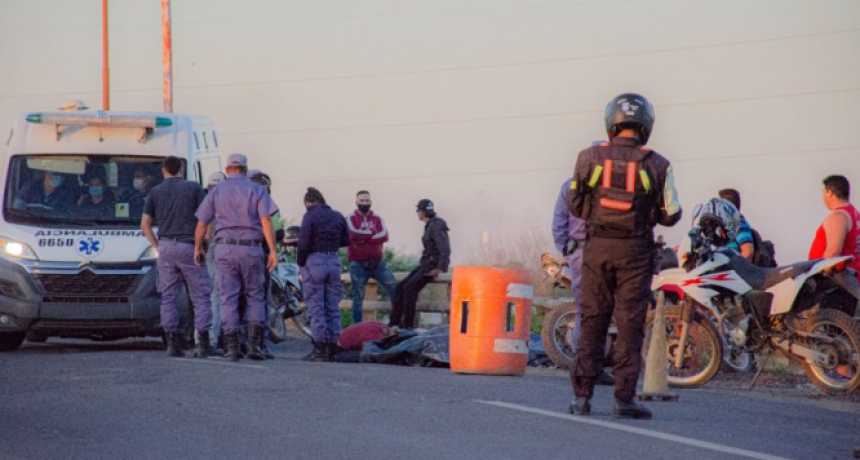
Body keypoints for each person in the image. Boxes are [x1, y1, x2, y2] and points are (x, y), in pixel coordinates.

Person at [567, 93, 682, 420]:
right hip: (636, 252)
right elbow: (671, 214)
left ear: (611, 123)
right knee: (630, 325)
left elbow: (574, 204)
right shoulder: (658, 164)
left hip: (597, 249)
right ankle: (623, 400)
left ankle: (582, 399)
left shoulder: (588, 157)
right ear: (646, 125)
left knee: (593, 320)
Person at [194, 153, 278, 362]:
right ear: (245, 168)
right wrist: (273, 251)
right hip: (252, 249)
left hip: (225, 249)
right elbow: (266, 221)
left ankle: (231, 348)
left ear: (227, 169)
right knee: (254, 296)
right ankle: (254, 346)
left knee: (227, 298)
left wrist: (198, 248)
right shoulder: (257, 189)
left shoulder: (216, 191)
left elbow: (202, 223)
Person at [140, 156, 213, 358]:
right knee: (200, 296)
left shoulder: (155, 192)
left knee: (168, 297)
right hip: (189, 246)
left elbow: (144, 225)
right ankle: (203, 343)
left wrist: (157, 245)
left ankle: (172, 343)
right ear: (181, 169)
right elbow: (206, 219)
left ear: (164, 171)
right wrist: (202, 245)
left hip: (165, 247)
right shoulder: (194, 188)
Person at [553, 177, 613, 385]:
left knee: (584, 311)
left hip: (580, 253)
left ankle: (582, 365)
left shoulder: (570, 184)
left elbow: (559, 224)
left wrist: (568, 253)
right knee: (605, 311)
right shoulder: (614, 183)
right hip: (608, 252)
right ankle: (595, 365)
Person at [296, 187, 350, 362]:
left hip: (315, 261)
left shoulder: (310, 216)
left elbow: (303, 243)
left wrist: (301, 262)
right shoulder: (337, 215)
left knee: (316, 306)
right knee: (332, 306)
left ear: (308, 202)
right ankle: (333, 348)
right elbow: (346, 240)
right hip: (333, 261)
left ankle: (319, 350)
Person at [389, 199, 450, 331]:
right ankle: (394, 324)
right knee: (400, 287)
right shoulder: (431, 225)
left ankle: (407, 327)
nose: (417, 213)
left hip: (432, 265)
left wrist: (440, 268)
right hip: (426, 264)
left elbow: (445, 248)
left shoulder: (436, 225)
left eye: (417, 211)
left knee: (410, 288)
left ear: (422, 213)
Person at [347, 190, 398, 324]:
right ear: (356, 202)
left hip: (378, 263)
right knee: (357, 299)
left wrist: (362, 238)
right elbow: (352, 235)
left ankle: (396, 324)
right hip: (358, 264)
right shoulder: (350, 218)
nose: (364, 203)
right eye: (361, 201)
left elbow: (385, 236)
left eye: (367, 201)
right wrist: (372, 234)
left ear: (371, 202)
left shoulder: (378, 218)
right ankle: (356, 330)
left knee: (395, 291)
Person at [249, 170, 280, 359]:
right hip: (260, 254)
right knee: (259, 300)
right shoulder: (267, 202)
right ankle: (258, 344)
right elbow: (274, 227)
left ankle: (241, 344)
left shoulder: (237, 199)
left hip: (235, 253)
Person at [809, 175, 860, 279]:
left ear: (830, 193)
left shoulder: (838, 217)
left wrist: (818, 277)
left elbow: (833, 253)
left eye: (824, 191)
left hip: (841, 283)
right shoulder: (854, 214)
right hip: (853, 279)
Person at [204, 171, 226, 352]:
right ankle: (216, 338)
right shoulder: (230, 200)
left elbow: (204, 226)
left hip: (211, 248)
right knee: (219, 296)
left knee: (208, 295)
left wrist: (200, 247)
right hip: (225, 248)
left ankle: (204, 338)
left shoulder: (207, 200)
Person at [718, 188, 754, 261]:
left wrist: (737, 268)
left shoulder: (739, 223)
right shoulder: (723, 228)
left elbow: (748, 251)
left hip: (733, 271)